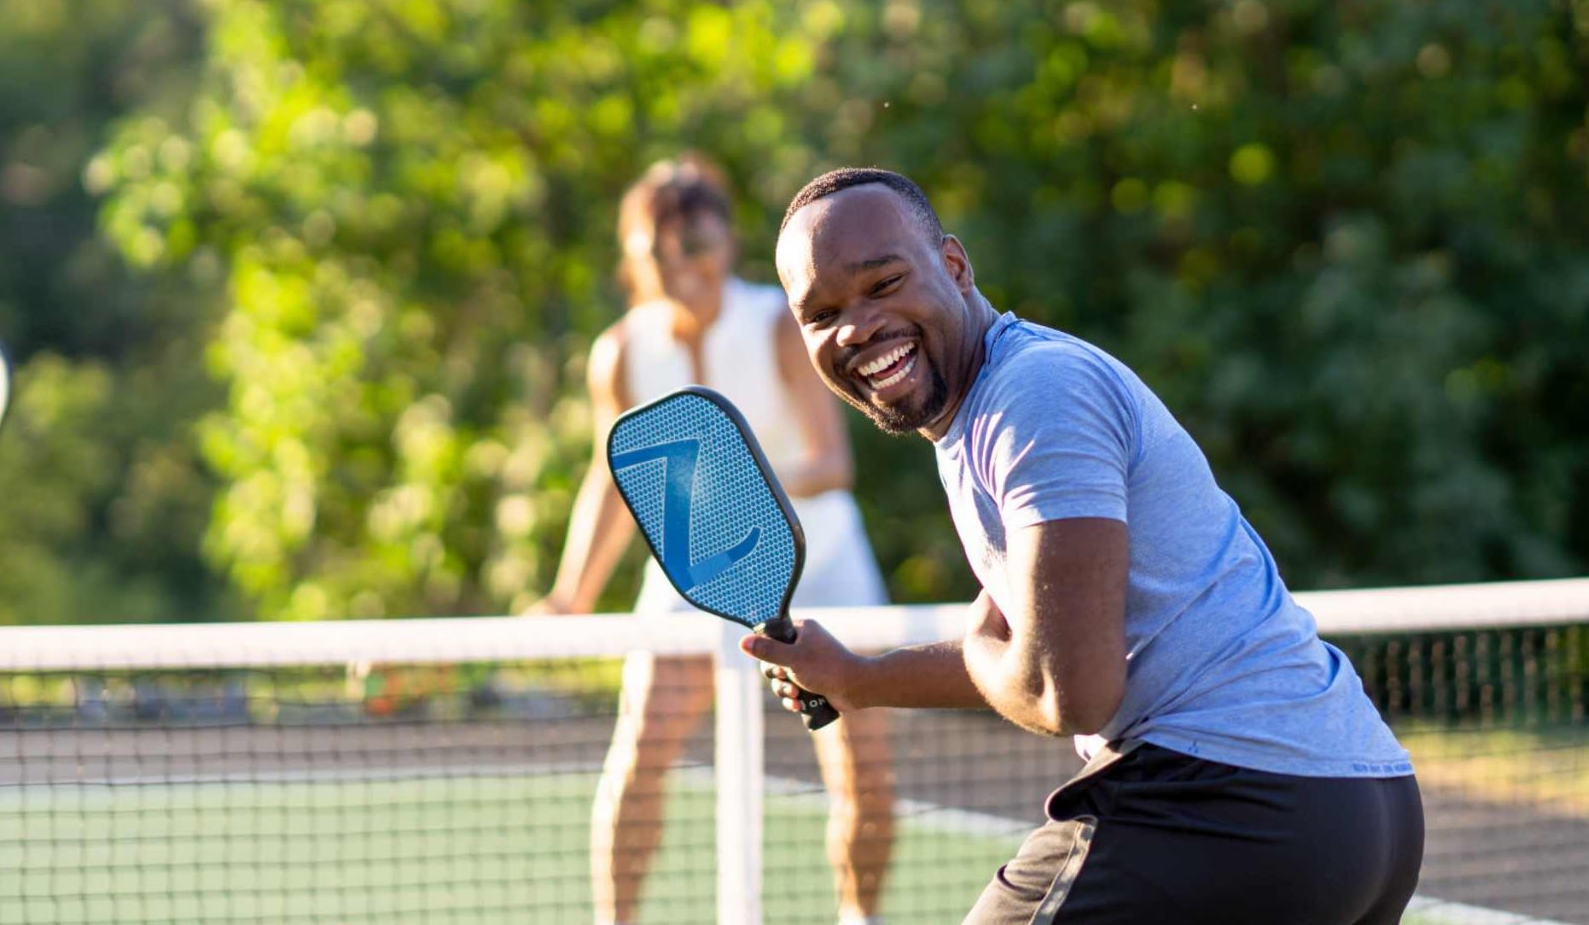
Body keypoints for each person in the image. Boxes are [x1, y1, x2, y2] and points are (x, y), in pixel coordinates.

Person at [746, 167, 1424, 924]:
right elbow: (1050, 652)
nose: (856, 327)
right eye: (821, 313)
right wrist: (857, 678)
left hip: (1233, 801)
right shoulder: (989, 408)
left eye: (883, 284)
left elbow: (1068, 692)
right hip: (1360, 806)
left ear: (956, 266)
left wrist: (983, 647)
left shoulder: (1034, 394)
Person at [528, 155, 898, 925]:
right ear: (634, 259)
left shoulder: (778, 324)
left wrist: (736, 491)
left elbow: (833, 463)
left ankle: (858, 920)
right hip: (692, 578)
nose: (680, 265)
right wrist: (569, 596)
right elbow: (610, 479)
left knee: (863, 772)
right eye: (657, 251)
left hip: (823, 565)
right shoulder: (620, 352)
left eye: (695, 245)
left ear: (726, 243)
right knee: (639, 752)